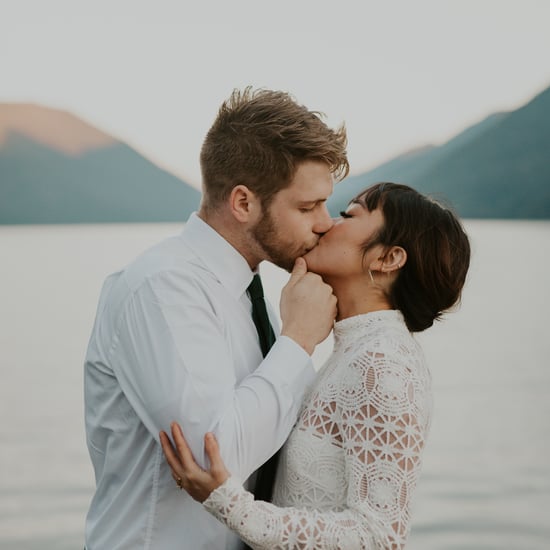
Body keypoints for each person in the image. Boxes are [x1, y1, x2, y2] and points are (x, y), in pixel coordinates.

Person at [83, 87, 349, 549]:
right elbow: (213, 460)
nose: (325, 223)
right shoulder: (162, 288)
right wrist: (299, 341)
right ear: (243, 203)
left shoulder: (254, 296)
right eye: (307, 207)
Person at [160, 182, 471, 549]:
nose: (325, 224)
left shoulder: (384, 363)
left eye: (348, 215)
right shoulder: (354, 351)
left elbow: (379, 537)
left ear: (388, 258)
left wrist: (231, 505)